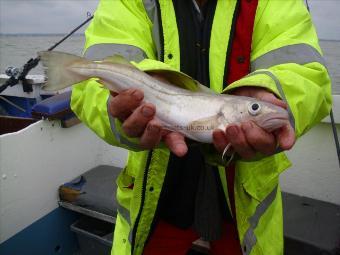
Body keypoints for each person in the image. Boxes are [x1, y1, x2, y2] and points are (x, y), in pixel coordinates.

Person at [71, 0, 332, 254]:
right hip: (156, 201)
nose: (258, 112)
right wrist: (117, 108)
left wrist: (273, 91)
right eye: (254, 109)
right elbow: (90, 90)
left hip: (243, 207)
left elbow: (306, 76)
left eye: (254, 108)